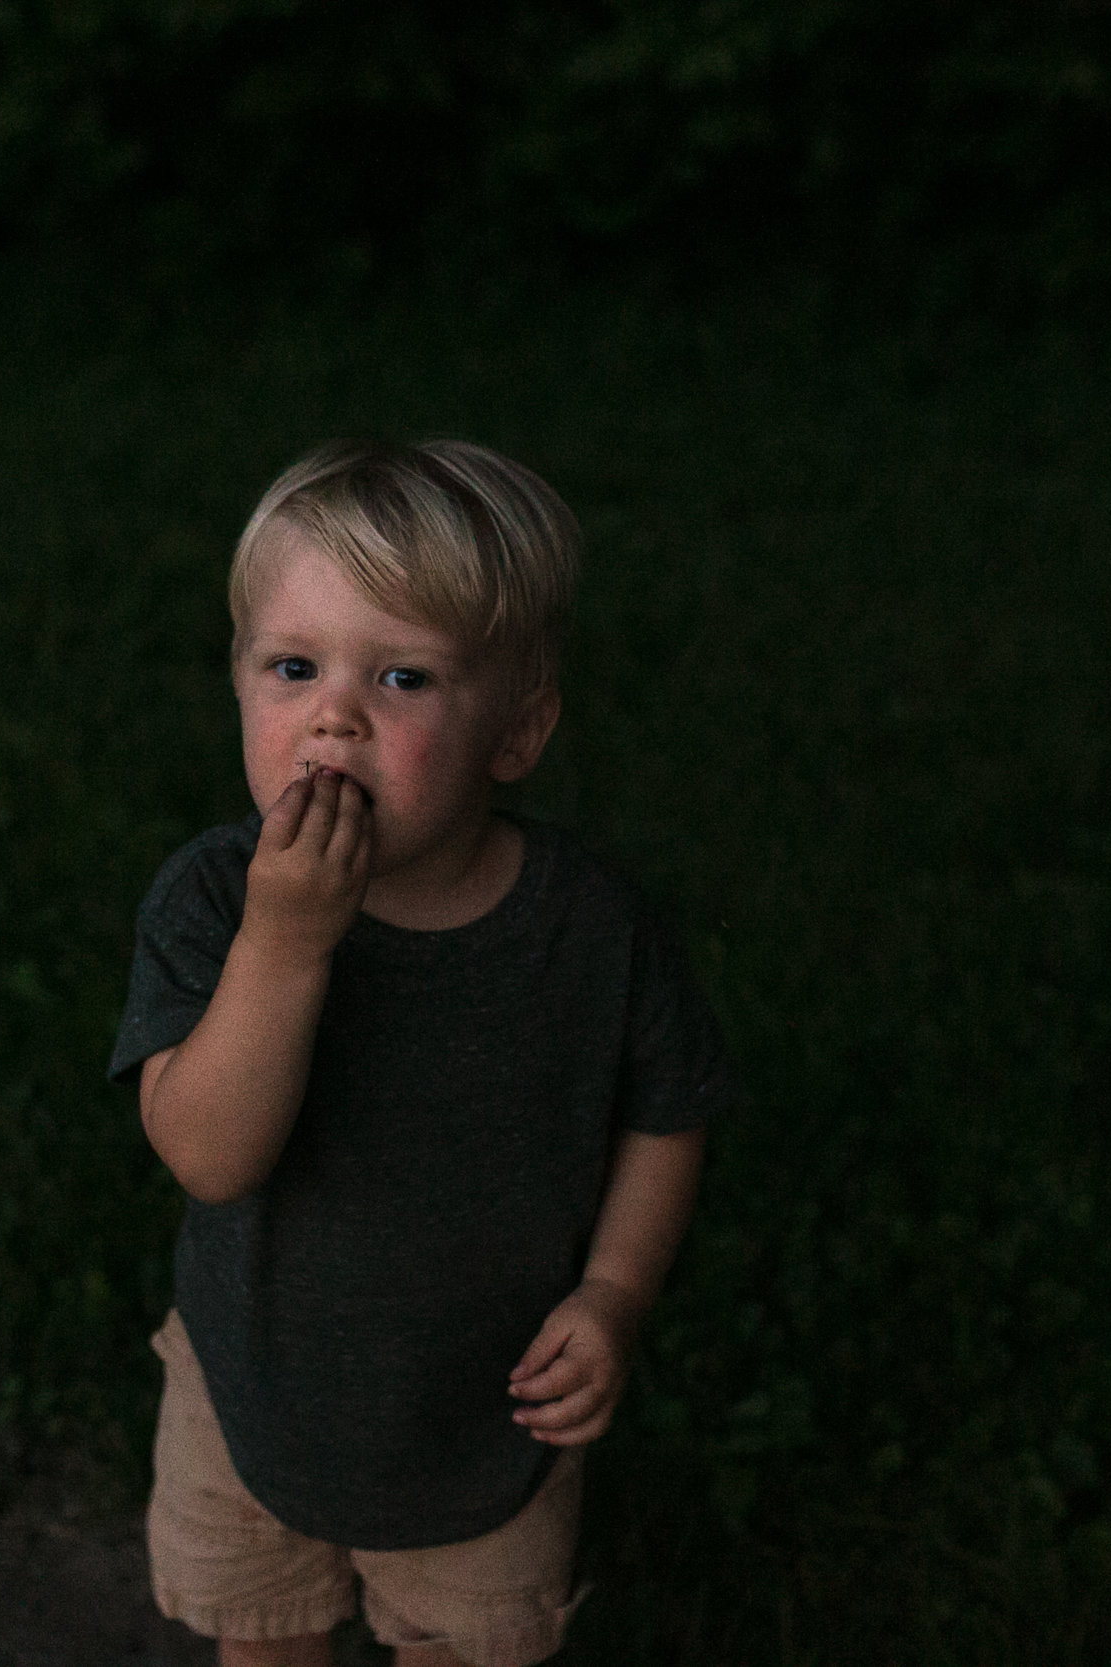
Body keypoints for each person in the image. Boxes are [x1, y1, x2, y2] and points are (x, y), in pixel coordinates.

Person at [108, 439, 740, 1667]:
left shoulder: (589, 926)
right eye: (293, 666)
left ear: (516, 730)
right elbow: (207, 1154)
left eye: (401, 677)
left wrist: (614, 1292)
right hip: (258, 1389)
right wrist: (286, 945)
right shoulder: (212, 901)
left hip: (487, 1408)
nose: (333, 713)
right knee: (267, 1642)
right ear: (238, 682)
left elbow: (666, 1111)